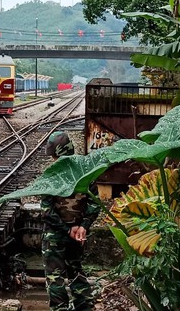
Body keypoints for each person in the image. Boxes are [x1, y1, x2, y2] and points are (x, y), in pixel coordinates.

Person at [41, 131, 99, 311]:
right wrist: (83, 226)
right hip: (78, 235)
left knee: (55, 278)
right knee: (76, 272)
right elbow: (95, 203)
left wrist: (66, 229)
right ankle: (84, 307)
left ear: (55, 153)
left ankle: (60, 309)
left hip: (55, 235)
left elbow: (46, 211)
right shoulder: (85, 171)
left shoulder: (51, 174)